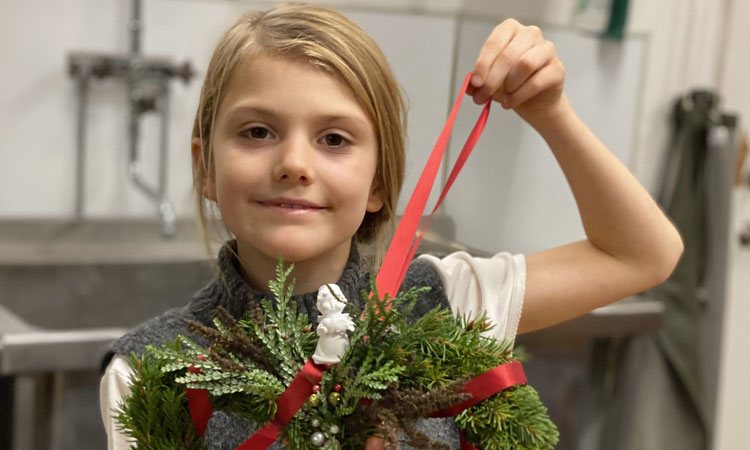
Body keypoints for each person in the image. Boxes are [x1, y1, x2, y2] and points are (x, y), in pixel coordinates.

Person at [99, 3, 684, 449]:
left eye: (334, 139)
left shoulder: (451, 300)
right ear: (205, 166)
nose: (294, 165)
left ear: (379, 185)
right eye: (257, 131)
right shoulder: (148, 371)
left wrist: (549, 112)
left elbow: (640, 256)